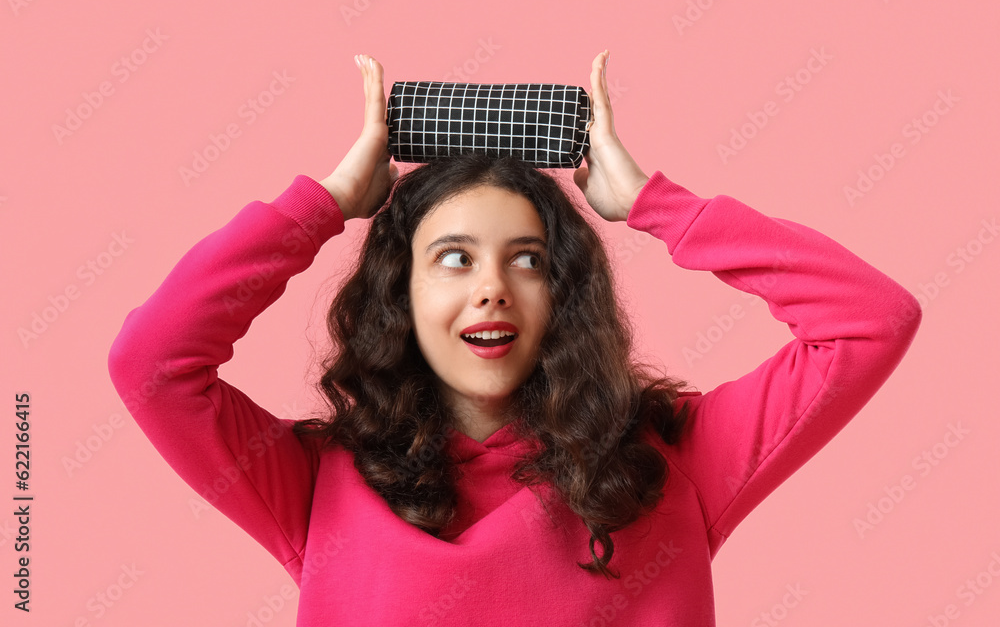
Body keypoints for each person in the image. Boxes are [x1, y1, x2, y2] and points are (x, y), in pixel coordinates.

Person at [107, 52, 921, 625]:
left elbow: (870, 320)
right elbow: (152, 363)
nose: (491, 286)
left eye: (526, 260)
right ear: (403, 291)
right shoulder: (316, 481)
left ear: (562, 291)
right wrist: (322, 204)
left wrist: (654, 204)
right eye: (453, 259)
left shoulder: (676, 459)